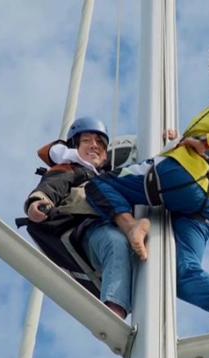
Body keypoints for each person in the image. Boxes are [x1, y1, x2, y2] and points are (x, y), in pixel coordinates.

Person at [84, 37, 209, 328]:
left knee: (100, 185)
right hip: (204, 200)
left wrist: (205, 141)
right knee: (181, 274)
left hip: (184, 175)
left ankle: (132, 226)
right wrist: (177, 139)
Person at [24, 117, 137, 319]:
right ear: (75, 146)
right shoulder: (72, 169)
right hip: (88, 228)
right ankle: (113, 312)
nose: (94, 146)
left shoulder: (113, 177)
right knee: (115, 243)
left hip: (118, 227)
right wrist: (38, 202)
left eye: (100, 143)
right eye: (87, 141)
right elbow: (51, 187)